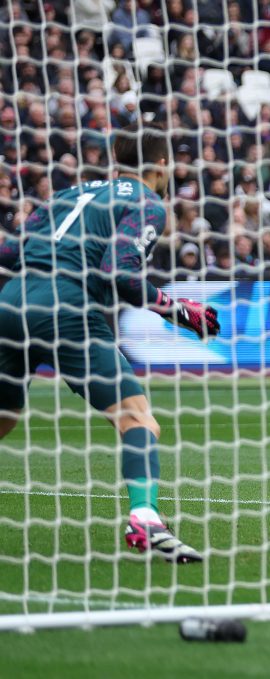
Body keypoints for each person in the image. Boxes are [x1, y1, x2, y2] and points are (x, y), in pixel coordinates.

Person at [0, 129, 219, 561]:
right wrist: (176, 309)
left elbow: (10, 251)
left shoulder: (69, 194)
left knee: (3, 420)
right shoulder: (146, 203)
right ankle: (145, 519)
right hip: (68, 311)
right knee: (138, 420)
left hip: (10, 306)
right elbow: (117, 272)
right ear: (161, 166)